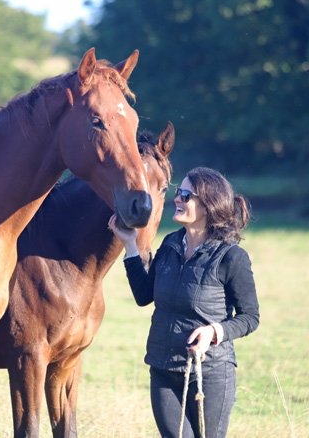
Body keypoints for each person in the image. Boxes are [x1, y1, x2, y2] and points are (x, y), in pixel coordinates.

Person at [108, 166, 259, 438]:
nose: (177, 199)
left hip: (211, 373)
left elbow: (250, 317)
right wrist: (130, 246)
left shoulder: (231, 257)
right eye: (179, 192)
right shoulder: (169, 245)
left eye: (186, 195)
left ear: (208, 205)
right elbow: (144, 296)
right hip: (163, 369)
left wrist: (214, 332)